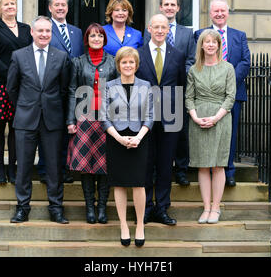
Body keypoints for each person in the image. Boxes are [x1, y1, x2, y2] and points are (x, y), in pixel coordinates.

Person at [7, 16, 70, 224]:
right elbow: (11, 89)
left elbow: (63, 90)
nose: (44, 34)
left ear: (52, 34)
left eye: (48, 31)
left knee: (54, 166)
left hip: (52, 120)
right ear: (32, 33)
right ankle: (22, 208)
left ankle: (56, 207)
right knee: (24, 166)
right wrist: (25, 106)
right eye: (40, 31)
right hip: (25, 119)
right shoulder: (18, 56)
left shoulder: (61, 57)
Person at [194, 0, 250, 187]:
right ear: (210, 13)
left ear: (227, 13)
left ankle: (229, 170)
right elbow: (194, 61)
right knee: (206, 133)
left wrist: (227, 81)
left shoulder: (239, 35)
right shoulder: (200, 34)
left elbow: (245, 61)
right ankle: (206, 168)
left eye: (222, 11)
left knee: (229, 134)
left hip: (232, 94)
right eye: (215, 11)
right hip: (204, 95)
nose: (219, 14)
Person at [136, 14, 186, 226]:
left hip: (170, 117)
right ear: (149, 28)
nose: (159, 30)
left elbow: (181, 86)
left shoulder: (177, 55)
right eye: (155, 27)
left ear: (168, 30)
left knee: (166, 164)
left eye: (163, 27)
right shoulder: (138, 54)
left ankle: (162, 207)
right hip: (143, 117)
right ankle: (146, 207)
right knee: (146, 163)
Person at [101, 46, 153, 247]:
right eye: (124, 62)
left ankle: (140, 225)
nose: (128, 65)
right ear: (118, 65)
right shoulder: (109, 86)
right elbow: (104, 117)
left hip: (140, 138)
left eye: (131, 62)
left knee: (139, 183)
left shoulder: (146, 85)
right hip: (116, 138)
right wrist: (119, 138)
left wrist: (138, 138)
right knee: (120, 183)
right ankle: (123, 225)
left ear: (137, 65)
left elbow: (150, 116)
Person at [66, 23, 118, 224]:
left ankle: (102, 207)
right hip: (84, 118)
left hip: (108, 119)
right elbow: (72, 90)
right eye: (92, 36)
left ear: (105, 40)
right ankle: (90, 208)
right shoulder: (78, 62)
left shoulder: (113, 63)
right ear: (86, 40)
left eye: (100, 36)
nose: (96, 39)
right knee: (86, 166)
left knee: (105, 165)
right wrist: (70, 119)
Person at [143, 0, 196, 186]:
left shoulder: (187, 33)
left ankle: (181, 170)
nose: (169, 7)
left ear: (178, 8)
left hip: (174, 96)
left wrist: (177, 70)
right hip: (150, 101)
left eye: (173, 4)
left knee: (178, 139)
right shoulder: (147, 37)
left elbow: (190, 59)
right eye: (166, 4)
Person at [186, 29, 236, 224]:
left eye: (213, 42)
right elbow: (189, 97)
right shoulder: (194, 69)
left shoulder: (227, 68)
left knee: (217, 164)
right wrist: (196, 117)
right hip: (198, 118)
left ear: (218, 45)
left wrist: (216, 118)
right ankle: (206, 207)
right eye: (206, 42)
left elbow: (230, 96)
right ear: (202, 45)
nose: (210, 45)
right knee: (202, 165)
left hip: (221, 118)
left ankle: (216, 208)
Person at [0, 0, 32, 185]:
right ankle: (0, 168)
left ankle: (13, 167)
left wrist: (21, 77)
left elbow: (29, 53)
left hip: (20, 84)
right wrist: (10, 74)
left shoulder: (26, 28)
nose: (10, 7)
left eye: (13, 3)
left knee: (15, 127)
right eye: (6, 4)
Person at [38, 0, 85, 184]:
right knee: (48, 130)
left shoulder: (77, 32)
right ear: (50, 8)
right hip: (52, 89)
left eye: (63, 5)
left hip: (72, 89)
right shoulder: (46, 30)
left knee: (69, 130)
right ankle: (44, 170)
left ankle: (64, 169)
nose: (60, 8)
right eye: (56, 5)